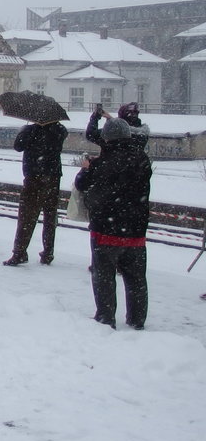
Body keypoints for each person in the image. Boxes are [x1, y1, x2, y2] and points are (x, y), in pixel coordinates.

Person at [75, 117, 152, 330]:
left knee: (104, 276)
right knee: (136, 278)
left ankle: (105, 316)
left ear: (107, 138)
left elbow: (81, 185)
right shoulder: (142, 160)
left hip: (105, 230)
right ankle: (137, 319)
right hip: (136, 231)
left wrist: (86, 168)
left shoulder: (102, 163)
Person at [2, 119, 68, 266]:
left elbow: (18, 146)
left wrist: (23, 131)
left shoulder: (31, 131)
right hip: (53, 178)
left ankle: (19, 253)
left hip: (34, 178)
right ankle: (48, 253)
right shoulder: (60, 130)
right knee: (50, 216)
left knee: (27, 217)